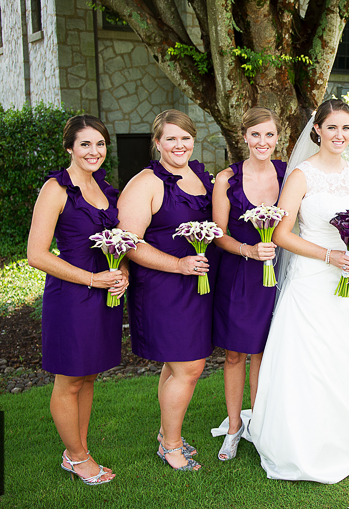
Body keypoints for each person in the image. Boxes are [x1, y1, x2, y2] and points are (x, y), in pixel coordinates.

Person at [249, 98, 349, 483]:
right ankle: (304, 439)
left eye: (346, 128)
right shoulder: (301, 175)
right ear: (317, 130)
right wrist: (330, 255)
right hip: (312, 278)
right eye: (332, 127)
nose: (339, 135)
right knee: (311, 355)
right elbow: (281, 234)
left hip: (348, 278)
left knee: (345, 350)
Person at [27, 115, 126, 485]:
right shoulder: (56, 189)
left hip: (103, 297)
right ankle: (79, 457)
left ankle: (78, 449)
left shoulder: (106, 190)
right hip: (71, 297)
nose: (94, 151)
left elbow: (120, 244)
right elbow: (36, 254)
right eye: (85, 144)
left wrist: (122, 274)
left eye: (100, 144)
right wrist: (91, 279)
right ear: (69, 147)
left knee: (88, 377)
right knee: (69, 380)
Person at [117, 110, 216, 471]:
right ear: (157, 143)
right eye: (170, 138)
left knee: (178, 365)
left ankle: (166, 434)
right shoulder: (145, 183)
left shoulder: (199, 176)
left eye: (185, 137)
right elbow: (128, 243)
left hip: (198, 284)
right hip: (163, 286)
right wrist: (178, 264)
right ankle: (171, 445)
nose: (179, 145)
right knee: (189, 366)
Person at [210, 107, 286, 461]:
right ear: (244, 137)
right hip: (238, 274)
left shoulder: (288, 174)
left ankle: (258, 423)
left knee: (263, 352)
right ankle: (234, 427)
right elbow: (217, 234)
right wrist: (248, 250)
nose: (262, 142)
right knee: (235, 352)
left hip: (278, 274)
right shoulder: (227, 179)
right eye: (255, 134)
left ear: (277, 137)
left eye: (269, 135)